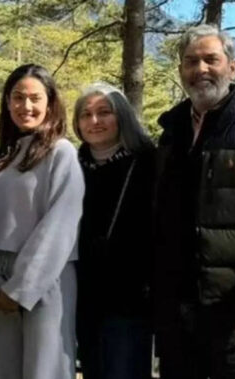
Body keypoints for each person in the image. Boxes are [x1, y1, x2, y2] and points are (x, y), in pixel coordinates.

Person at [153, 24, 235, 379]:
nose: (201, 69)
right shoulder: (171, 132)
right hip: (177, 309)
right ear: (181, 71)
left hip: (234, 314)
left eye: (211, 59)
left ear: (232, 67)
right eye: (191, 62)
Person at [0, 63, 84, 379]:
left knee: (44, 371)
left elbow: (60, 226)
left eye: (35, 98)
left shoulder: (61, 153)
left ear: (50, 102)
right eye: (18, 97)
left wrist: (21, 288)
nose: (26, 106)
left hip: (47, 279)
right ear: (7, 102)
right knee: (1, 371)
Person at [72, 83, 156, 379]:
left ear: (121, 117)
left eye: (104, 112)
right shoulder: (71, 166)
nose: (94, 121)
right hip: (84, 296)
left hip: (129, 299)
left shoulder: (148, 163)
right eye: (86, 114)